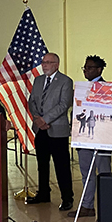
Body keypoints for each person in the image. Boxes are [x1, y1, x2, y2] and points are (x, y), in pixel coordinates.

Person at [27, 53, 74, 211]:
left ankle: (67, 197)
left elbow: (63, 105)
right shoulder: (38, 80)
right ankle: (43, 194)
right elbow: (32, 101)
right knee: (42, 163)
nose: (44, 65)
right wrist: (37, 119)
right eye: (43, 62)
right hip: (40, 129)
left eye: (48, 62)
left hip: (57, 130)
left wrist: (45, 119)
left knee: (61, 165)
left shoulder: (65, 81)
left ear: (56, 64)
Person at [68, 55, 111, 218]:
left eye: (90, 68)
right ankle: (87, 206)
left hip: (101, 139)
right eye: (85, 68)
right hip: (84, 137)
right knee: (86, 173)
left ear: (99, 70)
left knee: (104, 172)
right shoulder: (82, 89)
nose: (86, 70)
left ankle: (108, 204)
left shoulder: (106, 88)